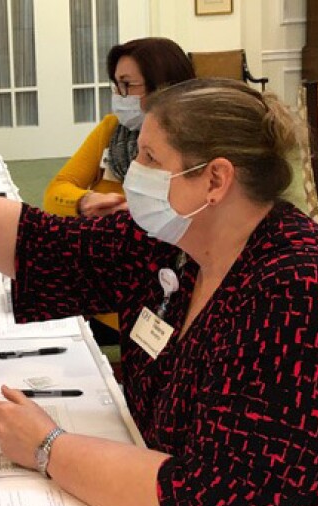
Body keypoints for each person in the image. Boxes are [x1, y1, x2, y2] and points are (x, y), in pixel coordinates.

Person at [0, 78, 318, 506]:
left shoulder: (305, 290)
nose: (133, 171)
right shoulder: (176, 240)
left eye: (150, 158)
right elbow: (47, 249)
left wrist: (48, 448)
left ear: (215, 179)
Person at [43, 37, 195, 344]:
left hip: (152, 282)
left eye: (127, 85)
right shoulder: (112, 130)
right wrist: (84, 201)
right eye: (115, 85)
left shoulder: (193, 145)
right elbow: (55, 193)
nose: (119, 96)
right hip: (100, 270)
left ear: (163, 85)